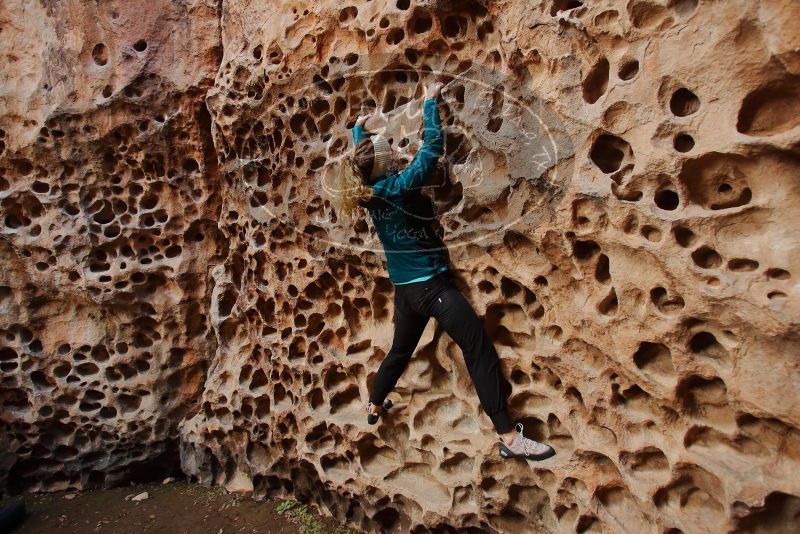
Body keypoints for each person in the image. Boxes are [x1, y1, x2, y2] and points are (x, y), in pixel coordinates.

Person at [330, 82, 555, 461]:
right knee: (477, 348)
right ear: (385, 165)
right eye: (388, 154)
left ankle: (375, 403)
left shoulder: (367, 192)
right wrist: (431, 103)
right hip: (432, 290)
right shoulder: (399, 187)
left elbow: (365, 160)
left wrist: (358, 130)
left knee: (400, 350)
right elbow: (430, 151)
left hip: (405, 292)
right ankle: (510, 438)